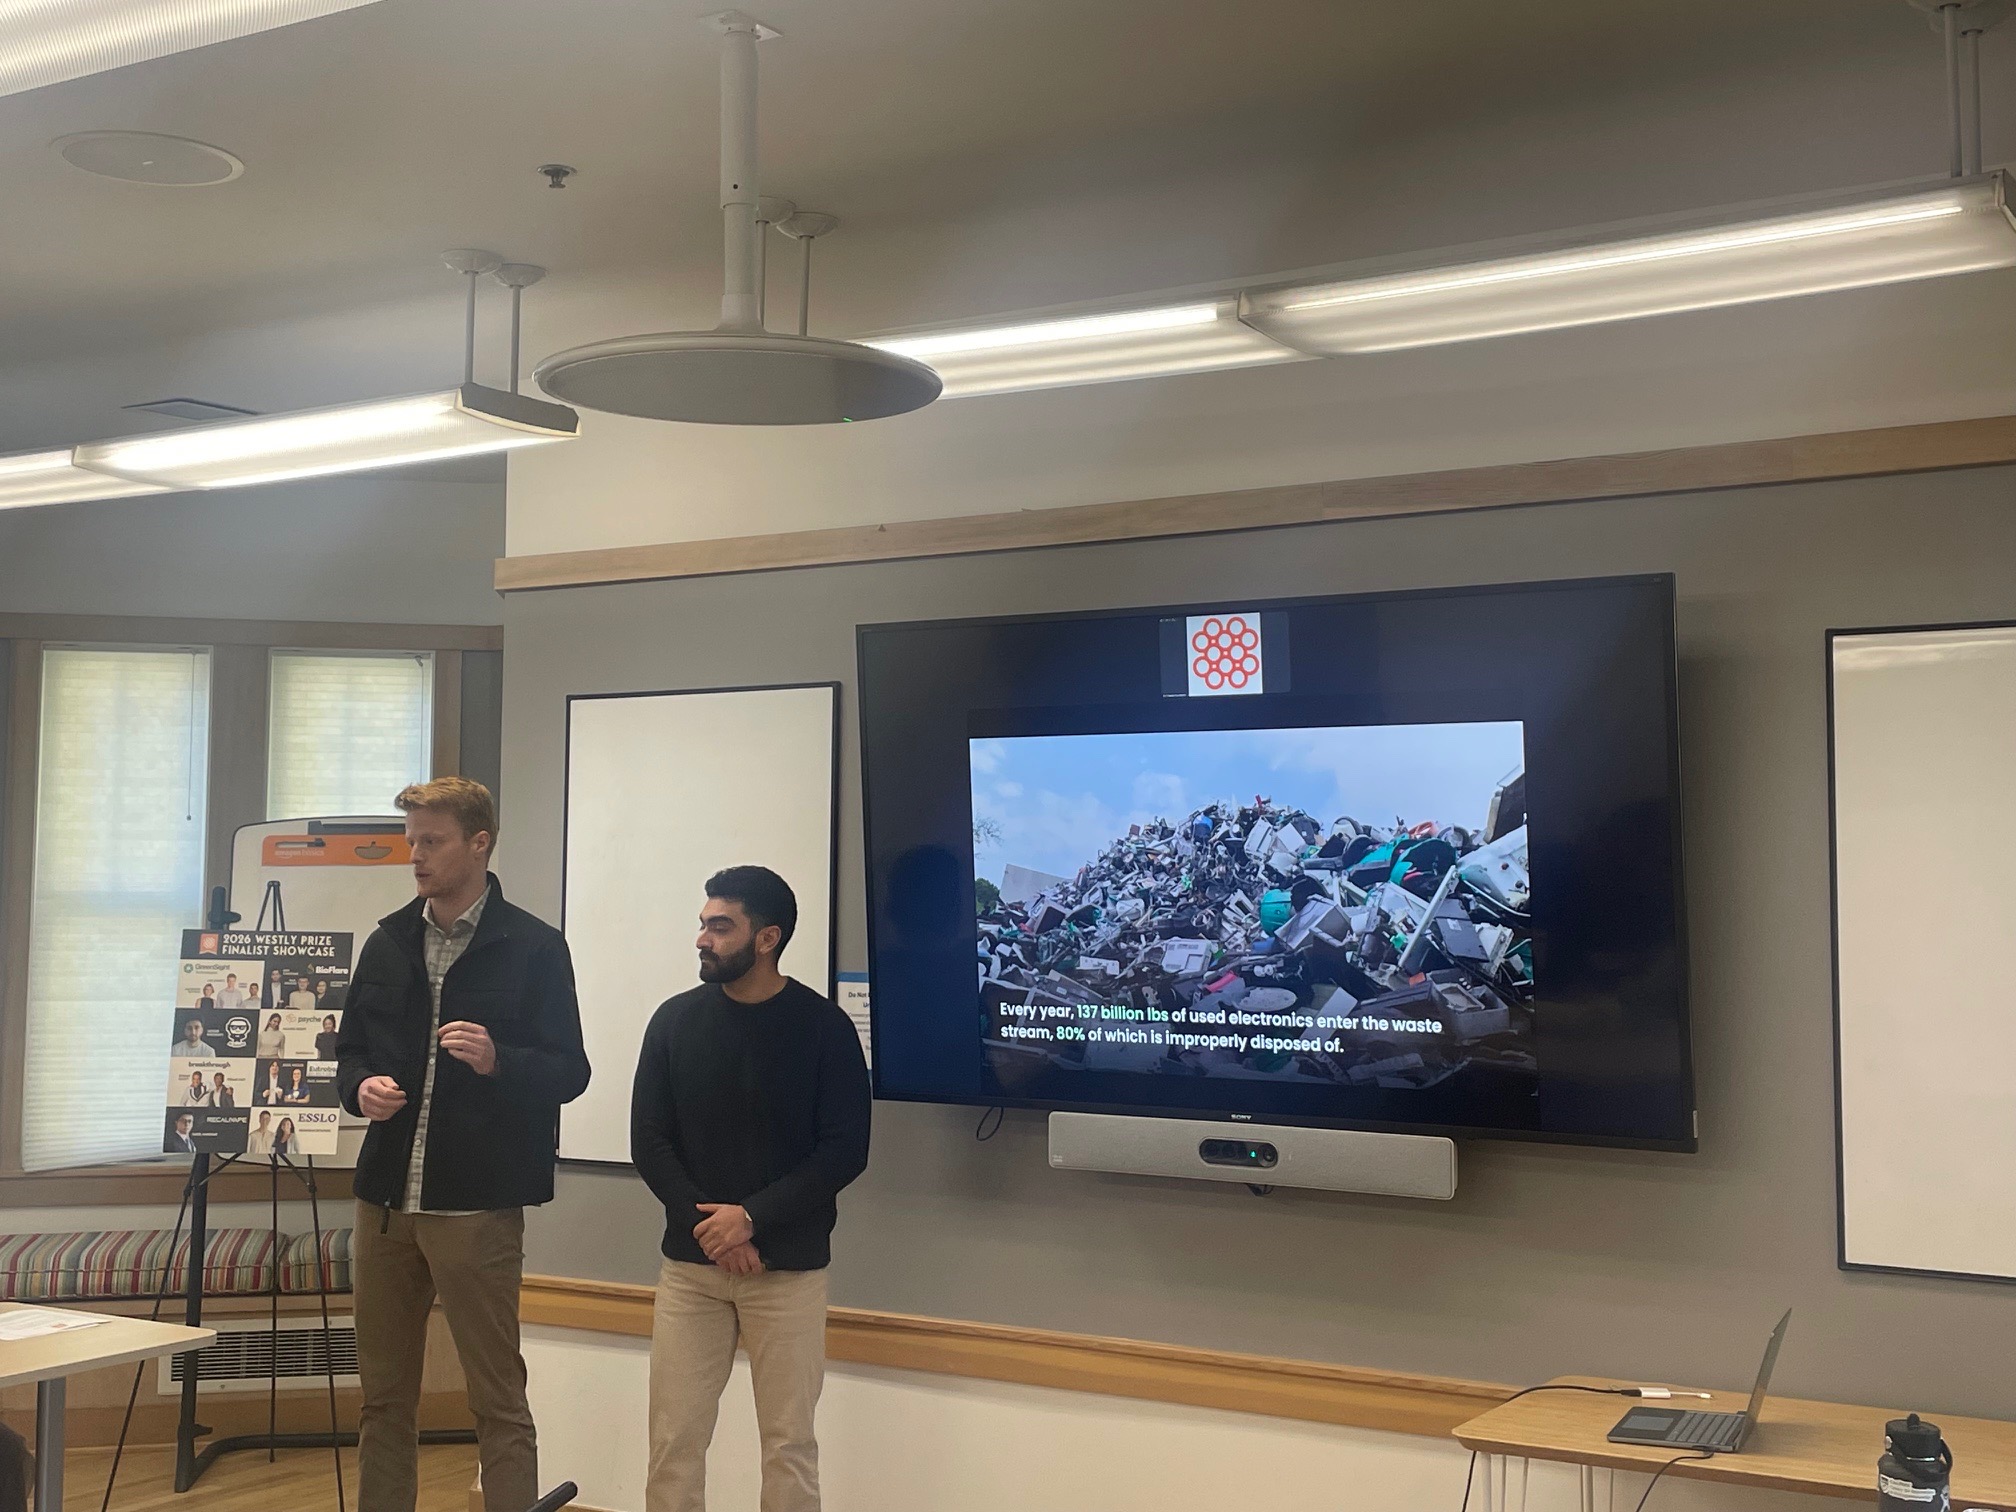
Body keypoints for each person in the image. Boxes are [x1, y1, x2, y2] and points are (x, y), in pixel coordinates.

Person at [336, 776, 590, 1512]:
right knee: (383, 1399)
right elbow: (348, 1054)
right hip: (384, 1205)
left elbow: (570, 1072)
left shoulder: (534, 947)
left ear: (480, 843)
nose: (415, 856)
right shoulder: (388, 941)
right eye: (411, 840)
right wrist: (360, 1089)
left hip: (477, 1207)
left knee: (496, 1398)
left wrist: (498, 1059)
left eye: (432, 841)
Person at [631, 866, 870, 1512]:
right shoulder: (674, 1022)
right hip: (691, 1271)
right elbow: (650, 1142)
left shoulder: (824, 1029)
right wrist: (716, 1231)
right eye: (703, 924)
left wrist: (752, 1219)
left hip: (787, 1272)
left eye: (720, 926)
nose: (702, 939)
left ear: (767, 938)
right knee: (674, 1442)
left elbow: (844, 1150)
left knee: (789, 1446)